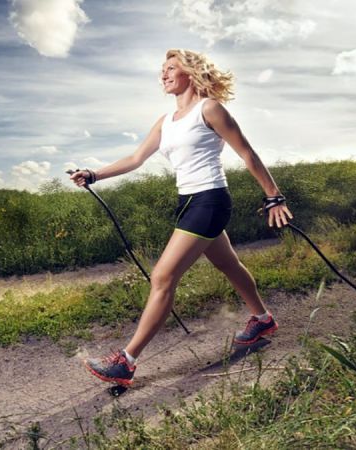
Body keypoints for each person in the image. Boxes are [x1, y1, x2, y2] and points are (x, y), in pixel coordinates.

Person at [69, 49, 293, 387]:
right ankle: (262, 319)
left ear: (191, 72)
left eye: (171, 68)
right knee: (228, 265)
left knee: (162, 277)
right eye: (162, 70)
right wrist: (94, 174)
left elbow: (246, 152)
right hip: (188, 202)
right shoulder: (165, 121)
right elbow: (135, 158)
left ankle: (125, 361)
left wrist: (274, 196)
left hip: (210, 200)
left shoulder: (210, 109)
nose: (163, 75)